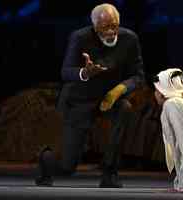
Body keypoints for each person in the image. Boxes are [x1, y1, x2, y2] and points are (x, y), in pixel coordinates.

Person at [35, 3, 145, 188]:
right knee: (67, 167)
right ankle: (46, 161)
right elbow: (66, 72)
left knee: (124, 108)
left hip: (108, 98)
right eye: (105, 27)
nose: (111, 32)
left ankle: (110, 172)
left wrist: (119, 90)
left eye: (114, 26)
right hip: (80, 99)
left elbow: (138, 75)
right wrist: (85, 73)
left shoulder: (129, 39)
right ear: (95, 27)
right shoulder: (80, 38)